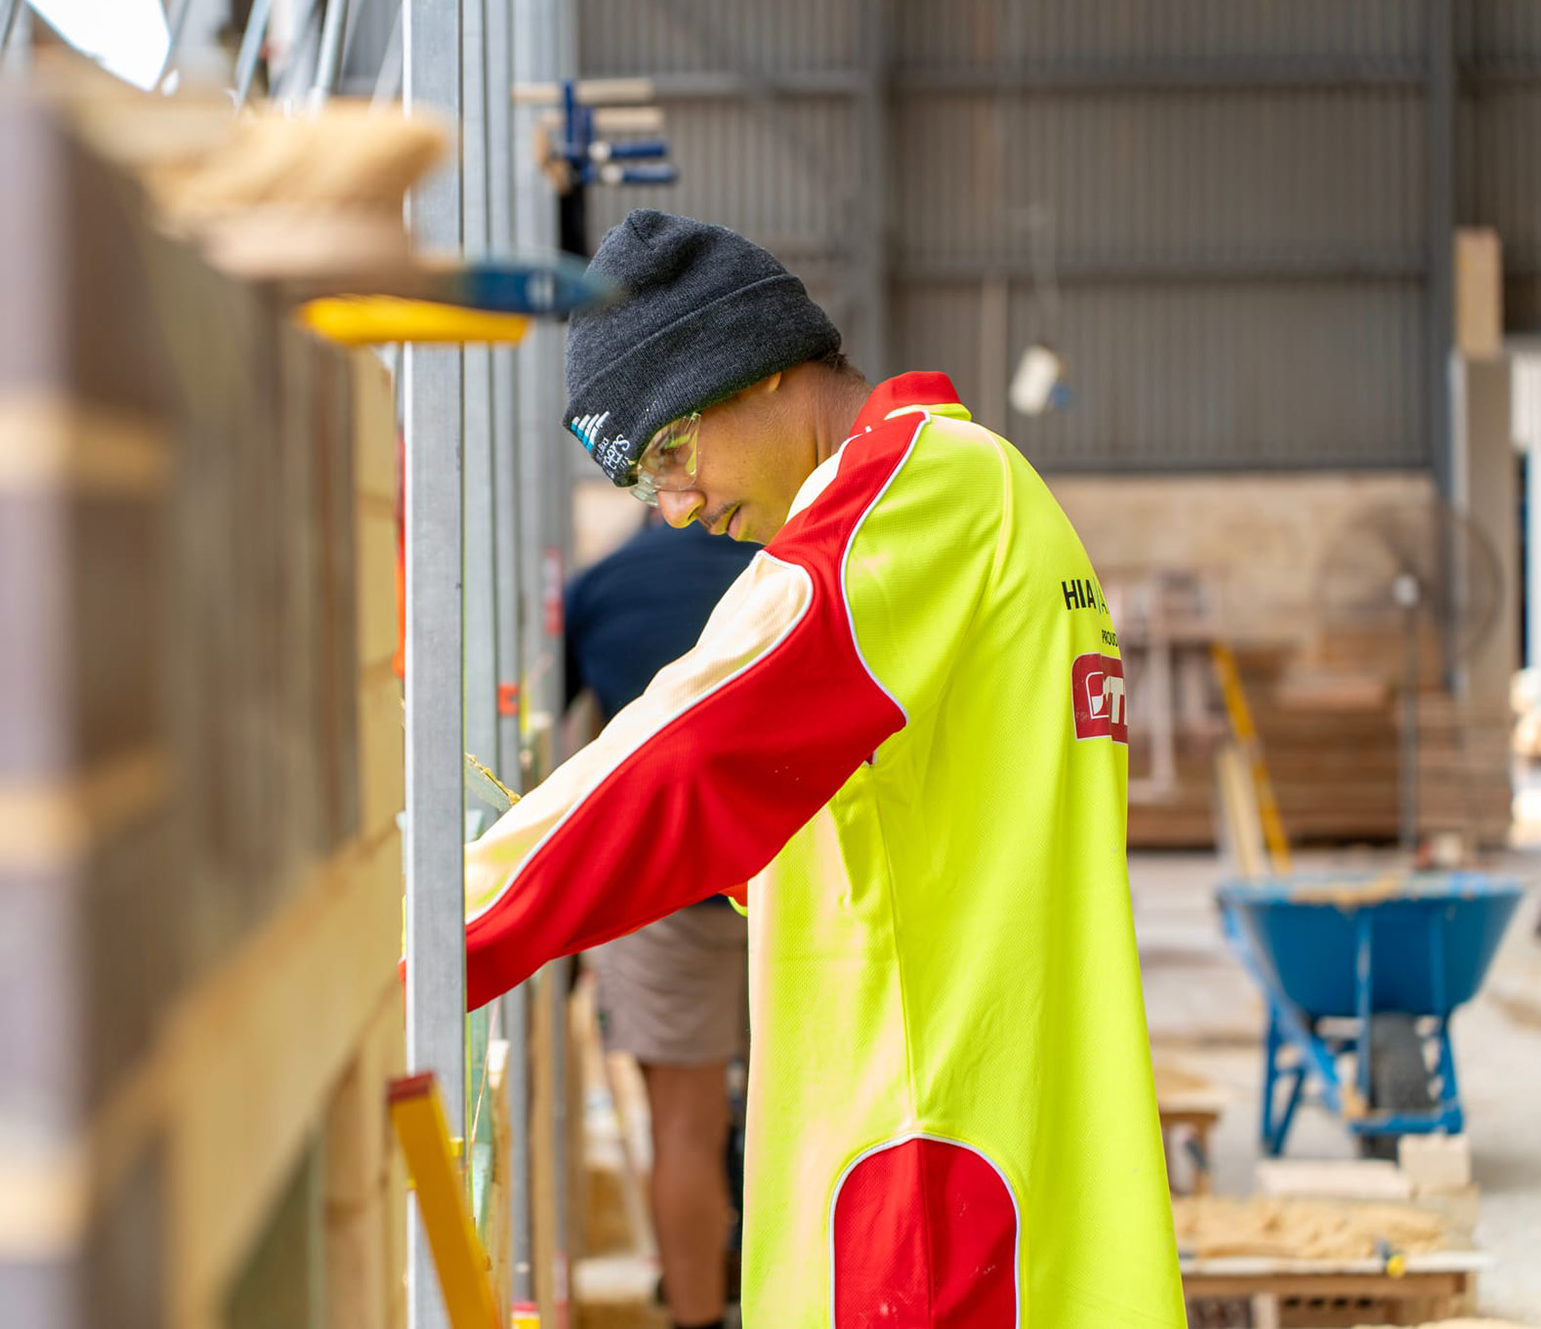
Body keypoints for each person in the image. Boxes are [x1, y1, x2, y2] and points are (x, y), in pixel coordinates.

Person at [462, 210, 1184, 1326]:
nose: (676, 507)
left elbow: (688, 747)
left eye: (668, 452)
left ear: (756, 373)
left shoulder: (897, 512)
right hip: (994, 1144)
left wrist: (432, 936)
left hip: (926, 1183)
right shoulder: (988, 492)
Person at [564, 515, 758, 1329]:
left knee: (684, 1125)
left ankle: (697, 1314)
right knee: (806, 1100)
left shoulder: (603, 587)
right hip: (799, 879)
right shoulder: (783, 569)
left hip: (667, 889)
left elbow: (576, 739)